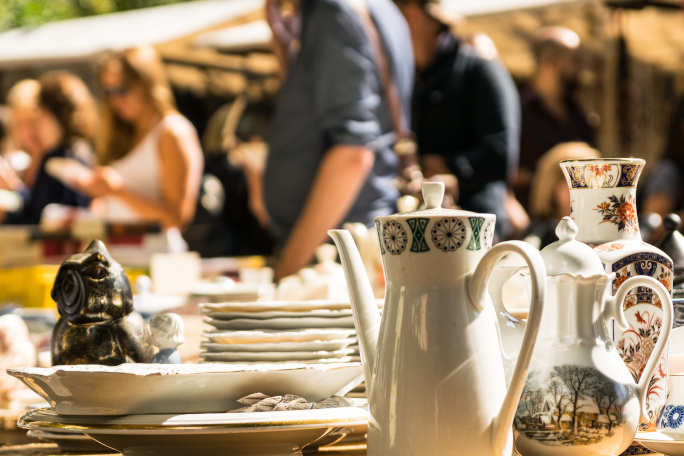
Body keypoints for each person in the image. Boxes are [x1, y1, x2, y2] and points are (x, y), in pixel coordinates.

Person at [264, 0, 414, 279]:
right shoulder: (383, 9)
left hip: (334, 258)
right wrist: (288, 51)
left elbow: (353, 153)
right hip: (345, 249)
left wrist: (287, 269)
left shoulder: (332, 12)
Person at [396, 0, 520, 241]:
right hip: (419, 228)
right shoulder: (407, 79)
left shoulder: (480, 71)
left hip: (477, 228)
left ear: (412, 16)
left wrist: (439, 167)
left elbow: (501, 155)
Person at [73, 46, 203, 236]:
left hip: (156, 257)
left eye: (122, 89)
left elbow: (177, 217)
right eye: (108, 91)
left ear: (146, 82)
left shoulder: (172, 132)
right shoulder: (122, 134)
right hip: (119, 252)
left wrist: (118, 191)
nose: (116, 99)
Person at [515, 26, 597, 210]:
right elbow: (503, 174)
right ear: (550, 62)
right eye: (574, 60)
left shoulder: (579, 114)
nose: (581, 69)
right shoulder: (517, 113)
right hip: (535, 222)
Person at [2, 73, 96, 225]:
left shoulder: (58, 158)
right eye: (19, 124)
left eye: (33, 120)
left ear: (46, 115)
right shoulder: (78, 150)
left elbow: (39, 219)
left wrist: (14, 190)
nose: (29, 131)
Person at [525, 142, 600, 249]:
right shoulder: (540, 237)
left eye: (593, 178)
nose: (589, 187)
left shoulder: (602, 233)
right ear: (552, 184)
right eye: (578, 179)